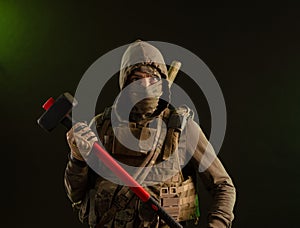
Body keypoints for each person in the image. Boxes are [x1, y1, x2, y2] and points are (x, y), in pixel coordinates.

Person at [64, 40, 236, 228]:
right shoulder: (102, 126)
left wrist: (217, 225)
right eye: (136, 79)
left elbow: (223, 186)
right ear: (125, 86)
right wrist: (77, 158)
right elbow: (75, 194)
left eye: (153, 78)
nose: (145, 86)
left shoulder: (182, 129)